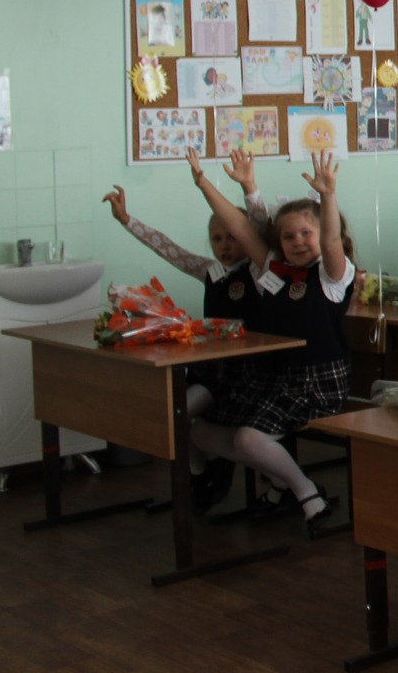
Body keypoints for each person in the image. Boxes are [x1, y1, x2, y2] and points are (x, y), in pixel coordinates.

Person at [190, 150, 353, 535]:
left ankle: (307, 494)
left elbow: (331, 241)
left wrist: (328, 195)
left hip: (319, 380)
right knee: (199, 431)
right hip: (275, 377)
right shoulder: (275, 275)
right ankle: (281, 479)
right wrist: (204, 185)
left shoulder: (331, 277)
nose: (298, 242)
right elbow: (243, 229)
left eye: (305, 234)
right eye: (288, 236)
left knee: (249, 438)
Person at [102, 152, 269, 512]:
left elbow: (259, 224)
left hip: (242, 373)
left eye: (231, 237)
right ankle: (199, 476)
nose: (225, 245)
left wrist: (248, 187)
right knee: (175, 412)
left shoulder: (259, 272)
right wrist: (127, 221)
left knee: (183, 413)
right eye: (217, 238)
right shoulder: (211, 270)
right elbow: (170, 251)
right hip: (210, 370)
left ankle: (206, 473)